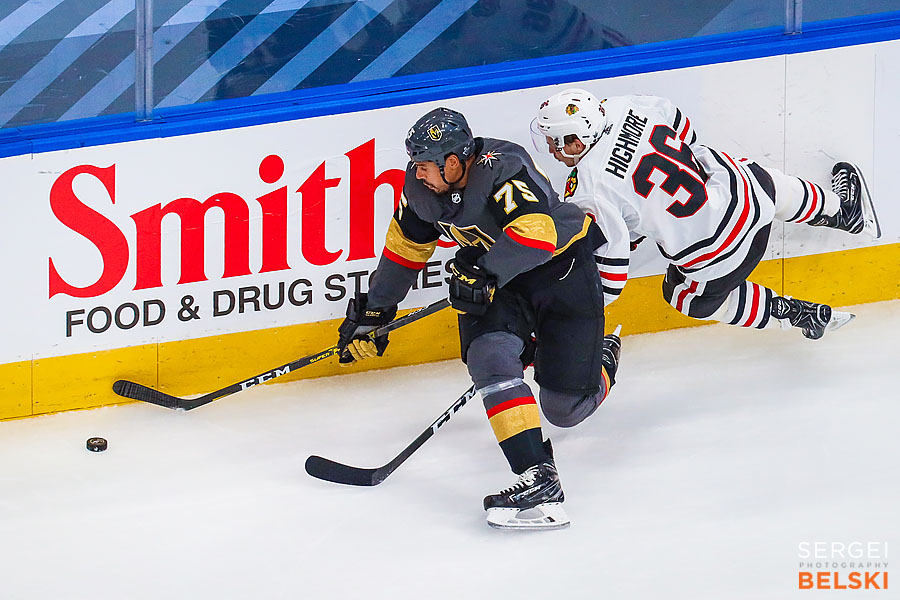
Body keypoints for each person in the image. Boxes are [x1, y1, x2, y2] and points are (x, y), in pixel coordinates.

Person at [336, 107, 621, 530]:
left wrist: (485, 273)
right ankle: (538, 478)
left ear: (454, 162)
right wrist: (376, 309)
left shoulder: (504, 167)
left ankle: (602, 359)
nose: (417, 172)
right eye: (415, 162)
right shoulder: (421, 189)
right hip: (496, 278)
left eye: (425, 163)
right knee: (490, 358)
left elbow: (537, 233)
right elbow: (405, 249)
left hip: (560, 274)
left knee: (564, 410)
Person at [531, 89, 882, 338]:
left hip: (720, 257)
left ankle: (794, 314)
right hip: (752, 203)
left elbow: (613, 272)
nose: (552, 151)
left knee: (684, 297)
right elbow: (685, 130)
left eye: (553, 142)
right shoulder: (624, 105)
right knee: (746, 174)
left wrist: (580, 308)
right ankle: (841, 210)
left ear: (576, 142)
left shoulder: (588, 189)